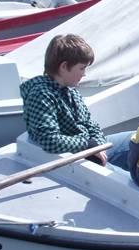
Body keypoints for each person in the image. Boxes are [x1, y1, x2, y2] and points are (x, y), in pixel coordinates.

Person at [20, 34, 131, 168]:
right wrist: (87, 145)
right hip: (78, 157)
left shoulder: (70, 90)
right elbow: (49, 140)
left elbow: (90, 124)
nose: (84, 74)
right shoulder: (41, 95)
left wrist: (99, 145)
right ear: (64, 66)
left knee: (138, 139)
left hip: (90, 149)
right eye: (82, 68)